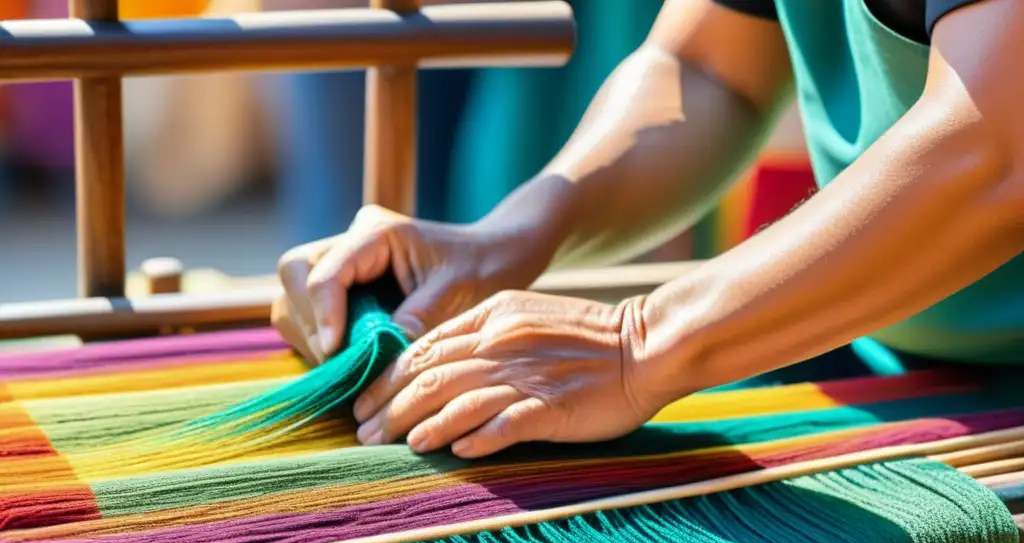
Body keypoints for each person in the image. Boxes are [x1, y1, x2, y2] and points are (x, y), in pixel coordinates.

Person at [271, 0, 1024, 459]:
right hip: (901, 366)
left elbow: (995, 150)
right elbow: (707, 69)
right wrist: (511, 236)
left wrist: (641, 344)